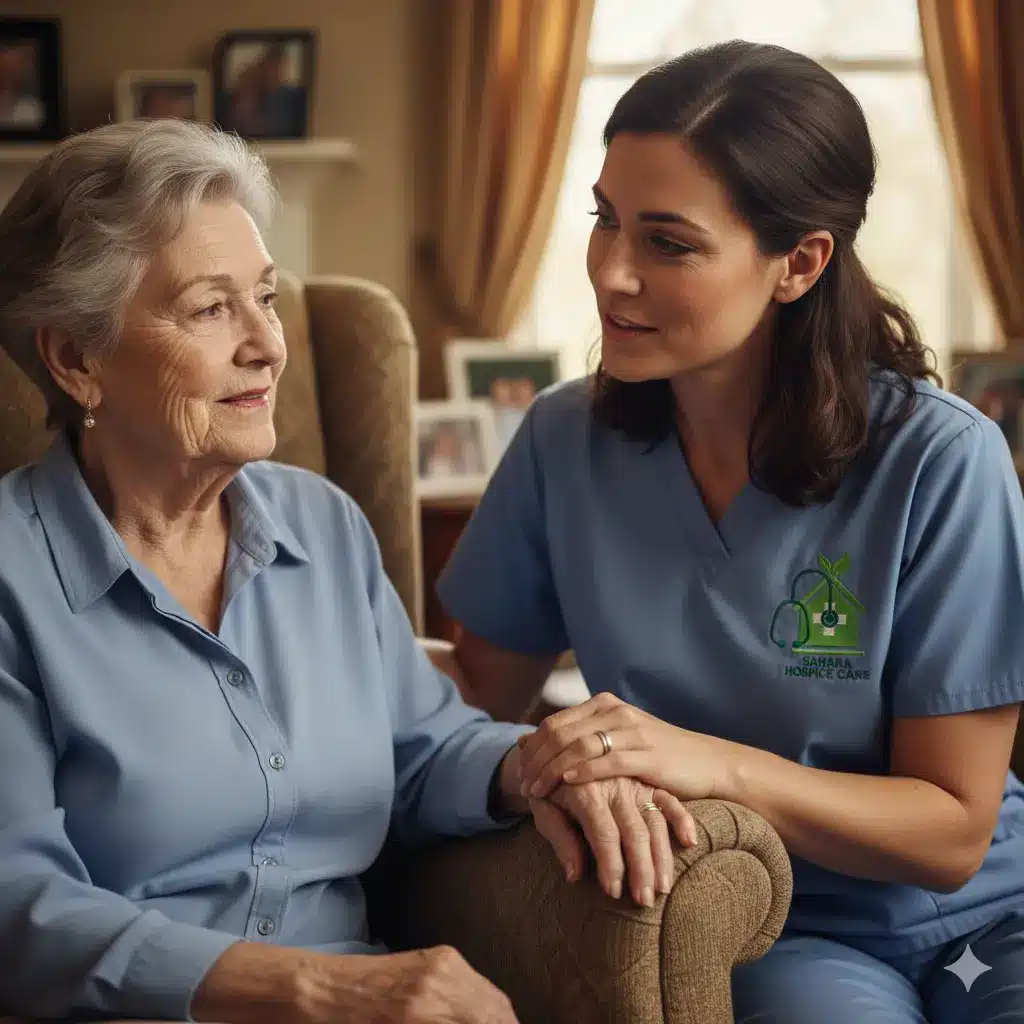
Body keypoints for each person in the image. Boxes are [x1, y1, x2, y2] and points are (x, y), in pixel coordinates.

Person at [0, 119, 698, 1023]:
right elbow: (19, 909)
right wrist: (319, 988)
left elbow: (420, 752)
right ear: (75, 357)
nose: (267, 345)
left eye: (264, 298)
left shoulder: (321, 526)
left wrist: (540, 764)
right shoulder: (15, 579)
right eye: (212, 309)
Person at [436, 41, 1024, 1023]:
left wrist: (708, 761)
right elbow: (469, 709)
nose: (611, 273)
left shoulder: (940, 460)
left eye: (668, 242)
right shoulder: (560, 443)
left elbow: (953, 830)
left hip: (991, 915)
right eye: (605, 220)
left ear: (797, 263)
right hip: (776, 925)